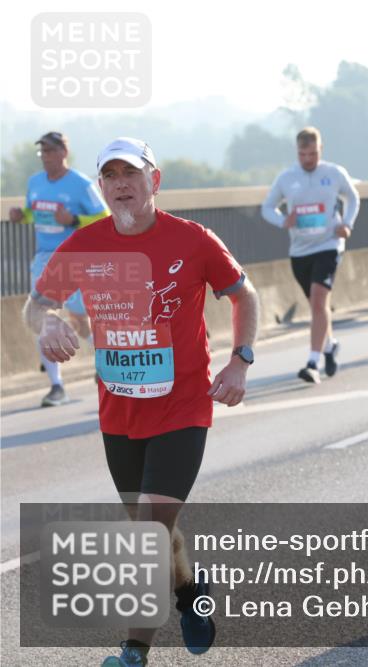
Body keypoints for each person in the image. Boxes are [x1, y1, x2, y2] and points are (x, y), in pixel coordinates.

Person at [24, 137, 260, 667]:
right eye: (110, 175)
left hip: (183, 407)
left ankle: (133, 651)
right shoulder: (85, 245)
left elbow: (244, 294)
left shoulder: (193, 239)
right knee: (152, 527)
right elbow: (36, 305)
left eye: (131, 173)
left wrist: (240, 360)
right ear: (101, 187)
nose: (121, 183)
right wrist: (49, 327)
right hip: (120, 410)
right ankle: (189, 593)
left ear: (154, 180)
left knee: (149, 529)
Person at [8, 131, 110, 406]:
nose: (45, 157)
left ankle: (104, 365)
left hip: (74, 259)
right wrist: (21, 216)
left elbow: (104, 217)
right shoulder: (35, 182)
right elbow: (33, 212)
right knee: (40, 318)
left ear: (63, 153)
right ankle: (56, 386)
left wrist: (74, 218)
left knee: (79, 319)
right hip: (43, 259)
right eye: (42, 152)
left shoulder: (80, 183)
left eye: (50, 151)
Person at [262, 127, 359, 383]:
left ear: (321, 150)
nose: (308, 159)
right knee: (318, 308)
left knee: (318, 301)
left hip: (328, 244)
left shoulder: (334, 173)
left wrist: (346, 223)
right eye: (303, 154)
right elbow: (267, 207)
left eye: (313, 153)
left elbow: (353, 197)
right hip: (299, 250)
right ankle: (329, 346)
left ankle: (312, 363)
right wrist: (284, 220)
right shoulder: (286, 178)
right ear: (297, 152)